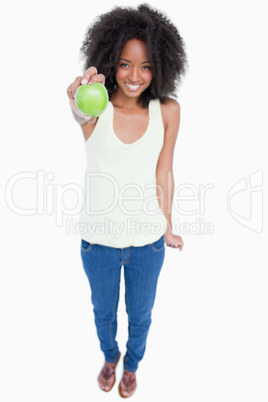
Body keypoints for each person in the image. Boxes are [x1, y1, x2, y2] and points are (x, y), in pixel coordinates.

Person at [67, 3, 188, 398]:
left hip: (147, 244)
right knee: (103, 314)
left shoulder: (167, 110)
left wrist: (168, 226)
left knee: (141, 316)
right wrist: (76, 97)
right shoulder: (95, 108)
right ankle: (109, 357)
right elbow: (77, 112)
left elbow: (163, 172)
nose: (134, 76)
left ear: (159, 68)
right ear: (109, 63)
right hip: (97, 243)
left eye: (146, 66)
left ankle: (131, 366)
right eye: (124, 64)